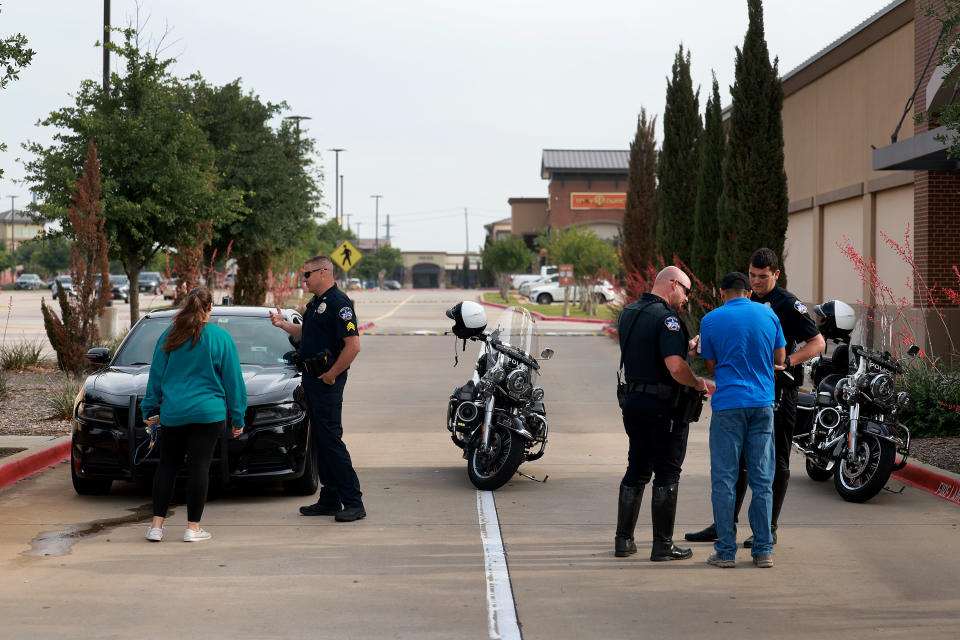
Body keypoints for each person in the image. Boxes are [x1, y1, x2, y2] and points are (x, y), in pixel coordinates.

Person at [685, 248, 825, 547]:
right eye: (752, 275)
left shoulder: (786, 304)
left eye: (763, 276)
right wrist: (701, 339)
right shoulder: (743, 298)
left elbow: (818, 342)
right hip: (744, 395)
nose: (757, 281)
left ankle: (769, 527)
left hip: (778, 392)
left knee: (776, 460)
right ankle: (725, 524)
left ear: (776, 274)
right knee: (737, 462)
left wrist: (788, 362)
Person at [614, 266, 716, 562]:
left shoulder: (629, 312)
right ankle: (662, 545)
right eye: (686, 291)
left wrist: (685, 348)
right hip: (663, 409)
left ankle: (624, 541)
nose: (687, 299)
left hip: (633, 402)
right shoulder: (668, 319)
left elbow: (647, 351)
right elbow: (674, 368)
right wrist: (698, 383)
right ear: (673, 284)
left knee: (637, 468)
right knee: (667, 473)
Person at [142, 287, 246, 543]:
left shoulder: (170, 336)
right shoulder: (221, 338)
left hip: (173, 412)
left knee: (167, 465)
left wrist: (149, 408)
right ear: (210, 308)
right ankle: (193, 529)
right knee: (199, 467)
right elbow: (234, 382)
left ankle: (156, 527)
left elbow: (156, 375)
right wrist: (238, 417)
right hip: (208, 414)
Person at [700, 272, 785, 568]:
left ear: (721, 292)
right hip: (762, 404)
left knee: (724, 479)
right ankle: (763, 550)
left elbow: (710, 364)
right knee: (762, 480)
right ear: (748, 292)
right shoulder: (768, 314)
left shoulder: (710, 320)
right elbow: (780, 356)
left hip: (727, 406)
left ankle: (725, 552)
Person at [271, 255, 365, 522]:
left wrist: (331, 375)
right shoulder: (317, 304)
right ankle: (330, 498)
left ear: (323, 272)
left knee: (331, 440)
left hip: (326, 383)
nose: (304, 280)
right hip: (312, 380)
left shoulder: (339, 304)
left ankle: (353, 501)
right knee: (321, 441)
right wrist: (284, 325)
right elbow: (307, 335)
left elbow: (353, 345)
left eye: (307, 275)